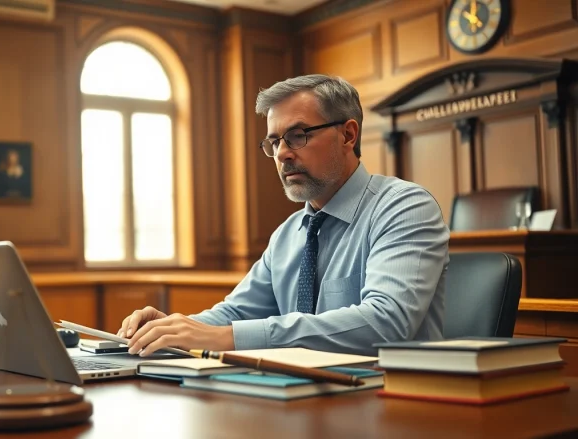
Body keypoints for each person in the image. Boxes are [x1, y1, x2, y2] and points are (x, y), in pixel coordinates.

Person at [118, 74, 449, 357]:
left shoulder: (405, 207)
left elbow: (386, 321)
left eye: (297, 136)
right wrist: (172, 329)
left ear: (348, 135)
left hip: (392, 404)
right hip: (304, 403)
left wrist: (228, 338)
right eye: (274, 142)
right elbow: (238, 312)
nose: (282, 154)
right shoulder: (290, 232)